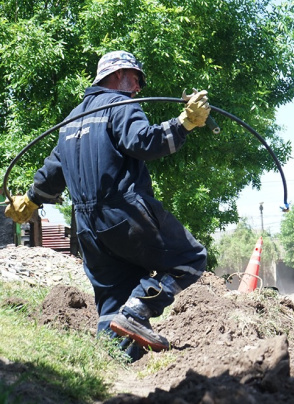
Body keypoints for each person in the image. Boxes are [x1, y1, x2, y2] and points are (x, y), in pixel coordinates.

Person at [4, 50, 210, 359]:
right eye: (135, 78)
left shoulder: (72, 120)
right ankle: (141, 307)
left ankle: (110, 363)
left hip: (87, 229)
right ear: (116, 75)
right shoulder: (121, 105)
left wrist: (31, 200)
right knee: (190, 259)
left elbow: (53, 171)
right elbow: (144, 142)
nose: (138, 87)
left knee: (113, 297)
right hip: (124, 214)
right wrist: (184, 124)